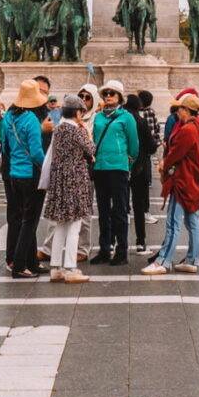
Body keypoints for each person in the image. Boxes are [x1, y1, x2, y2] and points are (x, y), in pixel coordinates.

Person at [143, 92, 199, 276]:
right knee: (193, 221)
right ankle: (192, 259)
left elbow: (175, 154)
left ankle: (164, 260)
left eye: (180, 108)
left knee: (173, 222)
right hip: (194, 178)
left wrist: (164, 164)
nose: (177, 112)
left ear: (187, 110)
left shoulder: (188, 130)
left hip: (182, 180)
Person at [41, 94, 97, 284]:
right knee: (74, 225)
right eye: (81, 111)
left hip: (59, 179)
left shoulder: (59, 129)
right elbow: (91, 149)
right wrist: (88, 133)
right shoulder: (76, 130)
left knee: (61, 224)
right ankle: (71, 267)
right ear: (77, 112)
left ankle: (56, 267)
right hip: (75, 179)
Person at [4, 80, 47, 279]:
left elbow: (5, 146)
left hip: (14, 173)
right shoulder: (31, 119)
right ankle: (20, 265)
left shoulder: (9, 116)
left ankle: (32, 261)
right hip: (31, 174)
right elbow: (37, 151)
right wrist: (47, 165)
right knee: (30, 221)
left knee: (24, 218)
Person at [91, 81, 138, 264]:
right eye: (106, 93)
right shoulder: (98, 117)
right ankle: (104, 249)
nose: (108, 96)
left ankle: (122, 250)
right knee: (103, 211)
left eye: (112, 93)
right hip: (101, 167)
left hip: (118, 167)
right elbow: (94, 139)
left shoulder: (126, 117)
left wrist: (128, 163)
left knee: (119, 210)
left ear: (119, 97)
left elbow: (133, 144)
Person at [127, 92, 159, 251]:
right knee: (138, 206)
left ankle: (114, 243)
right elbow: (152, 146)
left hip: (120, 168)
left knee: (119, 206)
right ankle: (140, 242)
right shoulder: (140, 121)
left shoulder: (118, 120)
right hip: (139, 167)